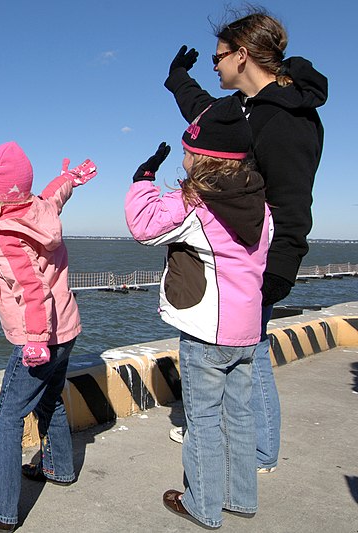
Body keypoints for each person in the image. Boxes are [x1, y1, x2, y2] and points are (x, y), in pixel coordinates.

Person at [164, 8, 327, 473]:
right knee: (235, 352)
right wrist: (178, 79)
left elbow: (293, 202)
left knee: (249, 358)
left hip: (257, 259)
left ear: (242, 55)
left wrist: (278, 272)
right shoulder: (244, 109)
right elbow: (205, 116)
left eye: (218, 58)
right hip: (231, 252)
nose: (213, 66)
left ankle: (259, 453)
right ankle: (234, 438)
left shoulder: (289, 119)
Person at [125, 96, 273, 529]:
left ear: (204, 157)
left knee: (203, 420)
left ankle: (202, 505)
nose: (185, 157)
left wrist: (144, 179)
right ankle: (240, 498)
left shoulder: (198, 203)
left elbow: (145, 226)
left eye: (189, 151)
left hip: (207, 332)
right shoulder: (261, 206)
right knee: (240, 416)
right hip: (247, 332)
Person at [0, 141, 97, 531]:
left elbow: (32, 290)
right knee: (50, 400)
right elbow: (56, 193)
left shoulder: (6, 237)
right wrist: (72, 178)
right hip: (66, 330)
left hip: (38, 339)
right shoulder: (39, 209)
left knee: (7, 416)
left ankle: (0, 508)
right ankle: (59, 469)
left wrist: (36, 339)